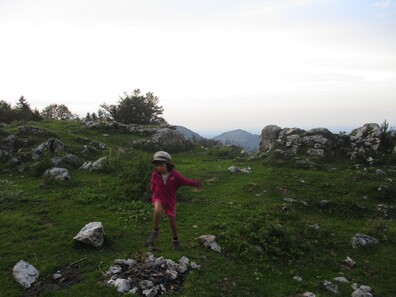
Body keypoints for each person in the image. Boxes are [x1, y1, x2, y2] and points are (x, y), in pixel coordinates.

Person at [145, 151, 202, 251]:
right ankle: (155, 231)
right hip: (158, 197)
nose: (158, 168)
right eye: (157, 165)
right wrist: (153, 191)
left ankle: (175, 240)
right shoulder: (155, 174)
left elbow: (185, 181)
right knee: (157, 210)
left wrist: (195, 183)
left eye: (161, 165)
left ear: (167, 164)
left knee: (172, 221)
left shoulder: (175, 175)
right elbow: (152, 184)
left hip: (170, 200)